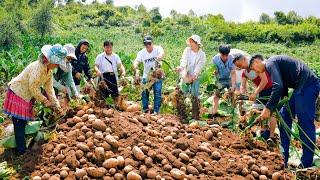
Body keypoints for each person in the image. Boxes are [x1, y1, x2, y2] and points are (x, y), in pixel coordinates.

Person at [249, 54, 320, 168]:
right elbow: (283, 84)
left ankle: (306, 163)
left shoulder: (270, 63)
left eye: (254, 69)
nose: (256, 72)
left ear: (256, 62)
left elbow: (278, 86)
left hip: (308, 85)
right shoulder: (273, 64)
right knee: (283, 116)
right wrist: (283, 100)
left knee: (304, 122)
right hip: (300, 87)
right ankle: (284, 158)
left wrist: (268, 108)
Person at [2, 44, 66, 154]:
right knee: (19, 122)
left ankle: (21, 142)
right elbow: (33, 87)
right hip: (18, 92)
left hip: (27, 95)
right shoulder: (38, 68)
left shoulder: (49, 71)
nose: (57, 66)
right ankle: (20, 151)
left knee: (23, 122)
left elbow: (49, 89)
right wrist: (45, 101)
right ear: (49, 60)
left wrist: (57, 105)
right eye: (57, 63)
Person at [233, 53, 277, 144]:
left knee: (272, 113)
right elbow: (243, 86)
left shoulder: (255, 67)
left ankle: (271, 137)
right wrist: (240, 93)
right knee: (255, 110)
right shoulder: (245, 72)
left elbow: (265, 80)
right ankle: (263, 131)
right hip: (261, 92)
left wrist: (255, 93)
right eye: (238, 66)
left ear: (244, 59)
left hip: (271, 90)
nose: (240, 67)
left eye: (240, 65)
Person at [176, 35, 206, 122]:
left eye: (193, 42)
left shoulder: (202, 54)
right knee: (183, 92)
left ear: (197, 44)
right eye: (190, 42)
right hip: (186, 72)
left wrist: (195, 75)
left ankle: (195, 115)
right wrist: (181, 68)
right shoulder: (187, 50)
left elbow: (199, 66)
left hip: (196, 75)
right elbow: (184, 60)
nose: (191, 44)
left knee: (194, 94)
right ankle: (182, 114)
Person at [133, 35, 165, 114]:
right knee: (144, 92)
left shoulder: (158, 49)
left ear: (152, 43)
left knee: (157, 92)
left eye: (149, 43)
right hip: (146, 75)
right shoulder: (142, 52)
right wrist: (136, 69)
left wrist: (159, 57)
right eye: (145, 44)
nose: (147, 45)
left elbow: (162, 53)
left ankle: (156, 111)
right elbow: (136, 61)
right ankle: (145, 110)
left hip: (157, 75)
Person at [94, 40, 126, 107]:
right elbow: (95, 66)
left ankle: (116, 109)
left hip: (113, 77)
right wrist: (97, 71)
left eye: (110, 47)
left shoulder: (116, 56)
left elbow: (120, 65)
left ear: (112, 47)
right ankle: (102, 111)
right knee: (102, 96)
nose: (109, 49)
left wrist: (123, 71)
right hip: (103, 77)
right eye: (107, 47)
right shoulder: (100, 56)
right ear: (104, 47)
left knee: (115, 95)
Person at [209, 45, 237, 118]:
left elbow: (233, 73)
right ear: (219, 53)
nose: (225, 57)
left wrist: (233, 85)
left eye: (226, 55)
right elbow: (215, 72)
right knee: (216, 96)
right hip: (219, 80)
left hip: (229, 79)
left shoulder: (232, 58)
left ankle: (232, 114)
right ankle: (214, 113)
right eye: (222, 55)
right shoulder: (215, 59)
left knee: (232, 95)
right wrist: (215, 73)